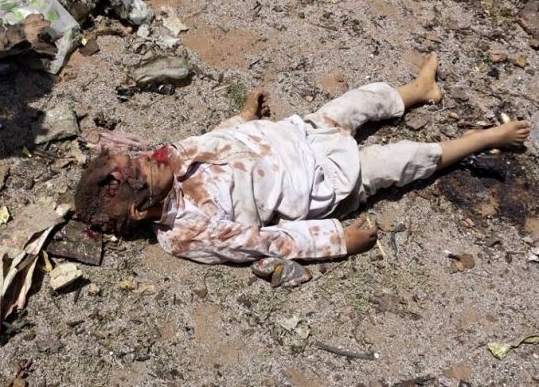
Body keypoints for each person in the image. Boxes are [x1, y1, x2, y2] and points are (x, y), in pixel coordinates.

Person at [74, 53, 531, 264]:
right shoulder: (187, 232)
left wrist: (243, 116)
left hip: (300, 133)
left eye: (139, 155)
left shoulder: (169, 157)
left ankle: (417, 90)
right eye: (142, 169)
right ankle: (482, 139)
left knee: (359, 101)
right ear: (140, 210)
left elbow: (215, 138)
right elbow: (263, 241)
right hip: (325, 182)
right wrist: (335, 240)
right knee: (404, 160)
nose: (151, 156)